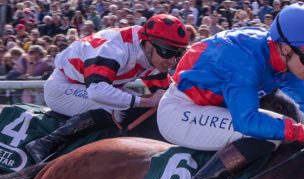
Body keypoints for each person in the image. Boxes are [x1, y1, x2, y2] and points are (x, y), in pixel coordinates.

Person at [158, 4, 304, 179]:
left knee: (286, 125)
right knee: (271, 134)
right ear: (285, 48)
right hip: (181, 111)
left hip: (211, 107)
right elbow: (246, 121)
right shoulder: (245, 59)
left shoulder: (277, 54)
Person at [26, 14, 190, 163]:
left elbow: (165, 93)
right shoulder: (115, 48)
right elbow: (97, 91)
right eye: (168, 52)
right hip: (63, 87)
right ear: (148, 45)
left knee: (140, 107)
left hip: (90, 85)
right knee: (116, 106)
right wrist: (144, 101)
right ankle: (45, 144)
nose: (173, 61)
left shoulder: (150, 53)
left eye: (179, 53)